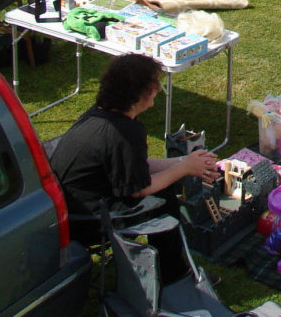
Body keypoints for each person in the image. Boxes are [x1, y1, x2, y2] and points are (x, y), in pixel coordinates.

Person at [49, 53, 220, 283]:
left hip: (66, 210)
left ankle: (171, 268)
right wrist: (184, 169)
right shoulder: (123, 133)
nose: (158, 90)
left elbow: (135, 166)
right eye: (154, 85)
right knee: (163, 197)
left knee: (165, 182)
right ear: (137, 94)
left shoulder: (102, 115)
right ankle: (173, 274)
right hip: (87, 220)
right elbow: (139, 189)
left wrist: (183, 161)